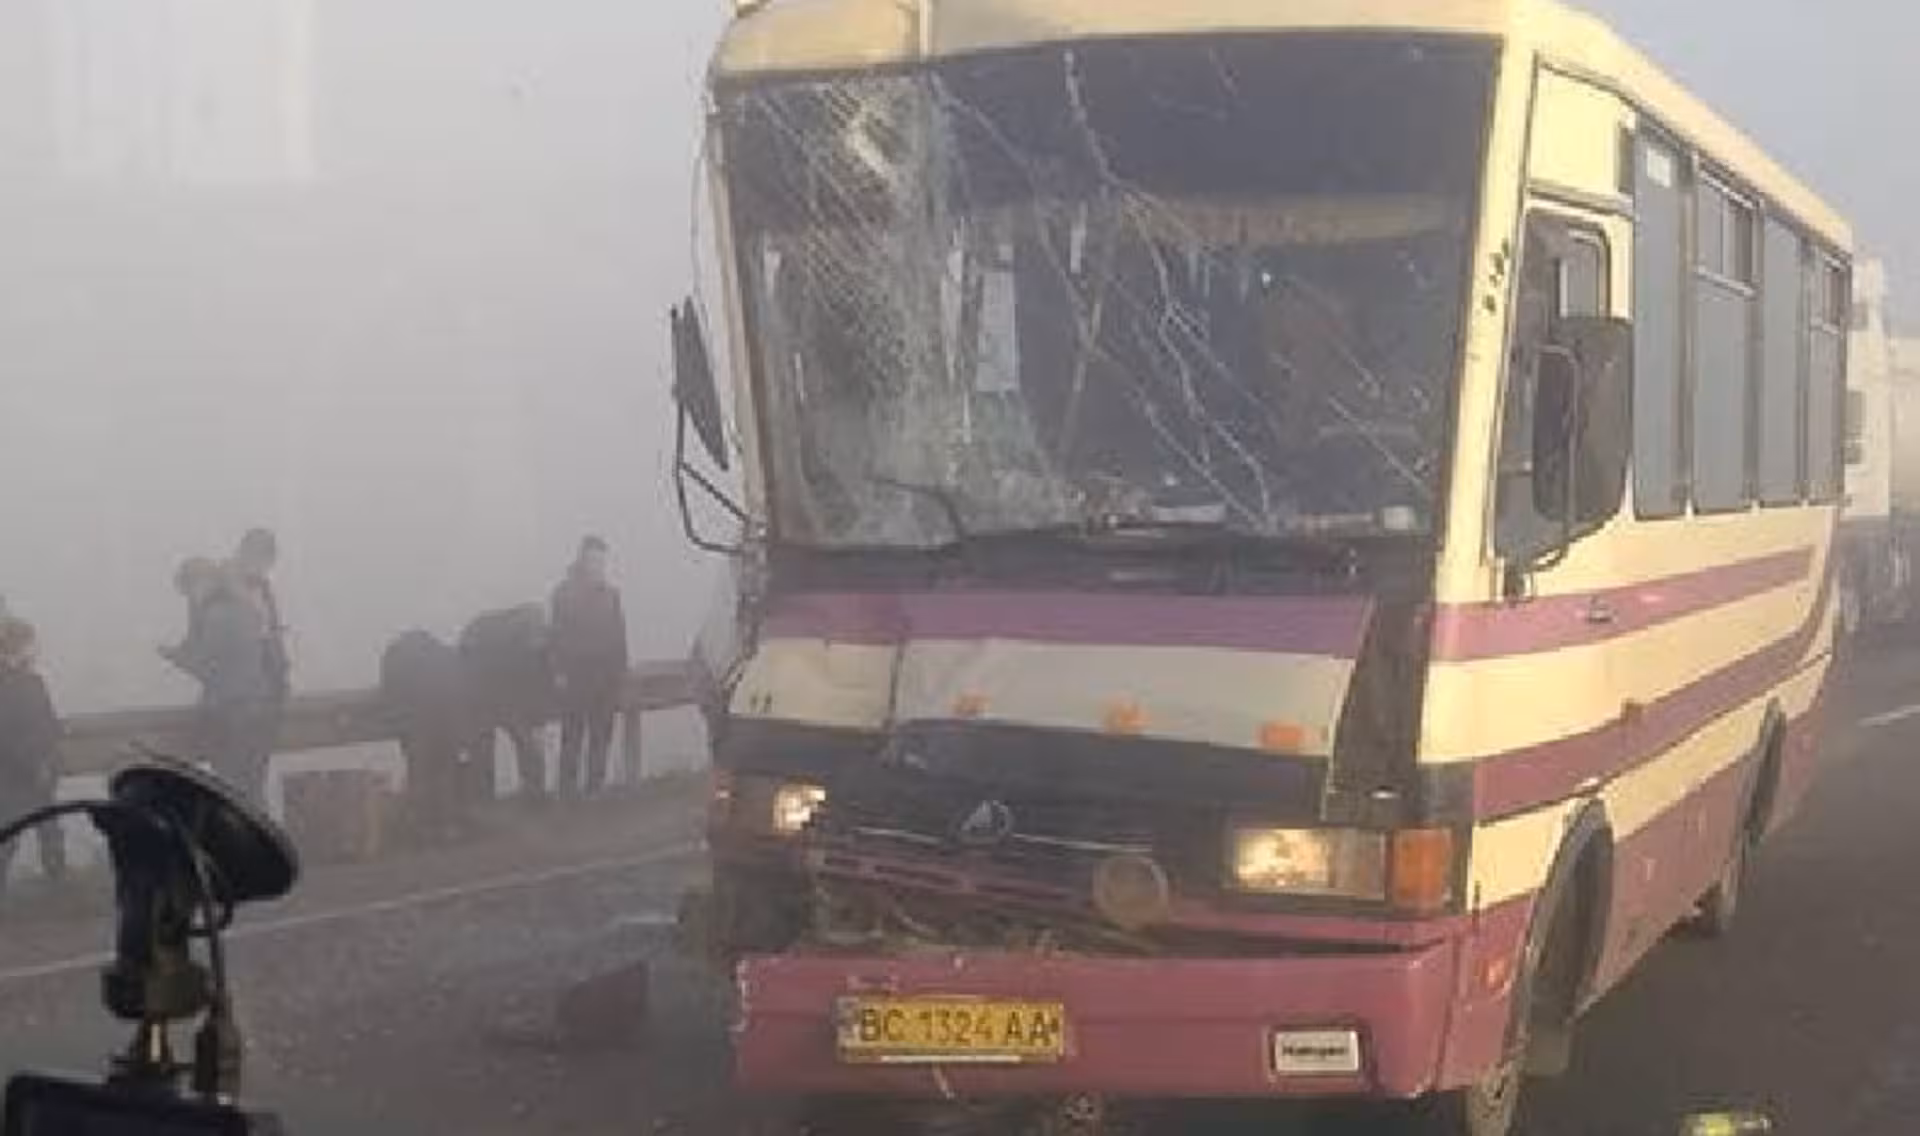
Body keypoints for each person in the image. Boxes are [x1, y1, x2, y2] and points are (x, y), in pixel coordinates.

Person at [161, 558, 279, 809]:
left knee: (233, 790)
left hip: (232, 712)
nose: (191, 599)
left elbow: (209, 668)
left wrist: (177, 659)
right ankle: (259, 830)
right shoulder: (243, 609)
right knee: (251, 788)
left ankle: (240, 832)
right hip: (258, 709)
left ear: (202, 582)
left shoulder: (218, 616)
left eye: (190, 591)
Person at [550, 537, 629, 798]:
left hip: (605, 678)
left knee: (601, 737)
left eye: (601, 560)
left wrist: (620, 672)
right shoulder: (564, 594)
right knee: (572, 738)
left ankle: (594, 791)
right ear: (582, 560)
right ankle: (567, 793)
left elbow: (619, 637)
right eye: (594, 559)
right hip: (577, 677)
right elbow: (556, 637)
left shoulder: (611, 595)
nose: (599, 565)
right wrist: (559, 672)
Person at [379, 629, 472, 843]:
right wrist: (461, 733)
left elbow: (389, 694)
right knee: (445, 774)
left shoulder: (396, 655)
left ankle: (422, 828)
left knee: (419, 774)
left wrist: (400, 727)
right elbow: (459, 692)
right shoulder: (447, 656)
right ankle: (447, 826)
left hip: (415, 725)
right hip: (444, 724)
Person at [0, 618, 67, 906]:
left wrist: (47, 760)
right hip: (11, 776)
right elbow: (5, 732)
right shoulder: (8, 683)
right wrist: (33, 762)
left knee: (51, 834)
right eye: (28, 643)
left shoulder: (33, 681)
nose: (33, 650)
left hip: (38, 773)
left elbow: (50, 725)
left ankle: (61, 895)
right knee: (8, 838)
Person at [458, 604, 555, 804]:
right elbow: (541, 671)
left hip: (484, 693)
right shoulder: (521, 635)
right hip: (499, 694)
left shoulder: (482, 627)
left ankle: (485, 796)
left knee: (487, 744)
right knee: (524, 742)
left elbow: (462, 658)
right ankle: (532, 793)